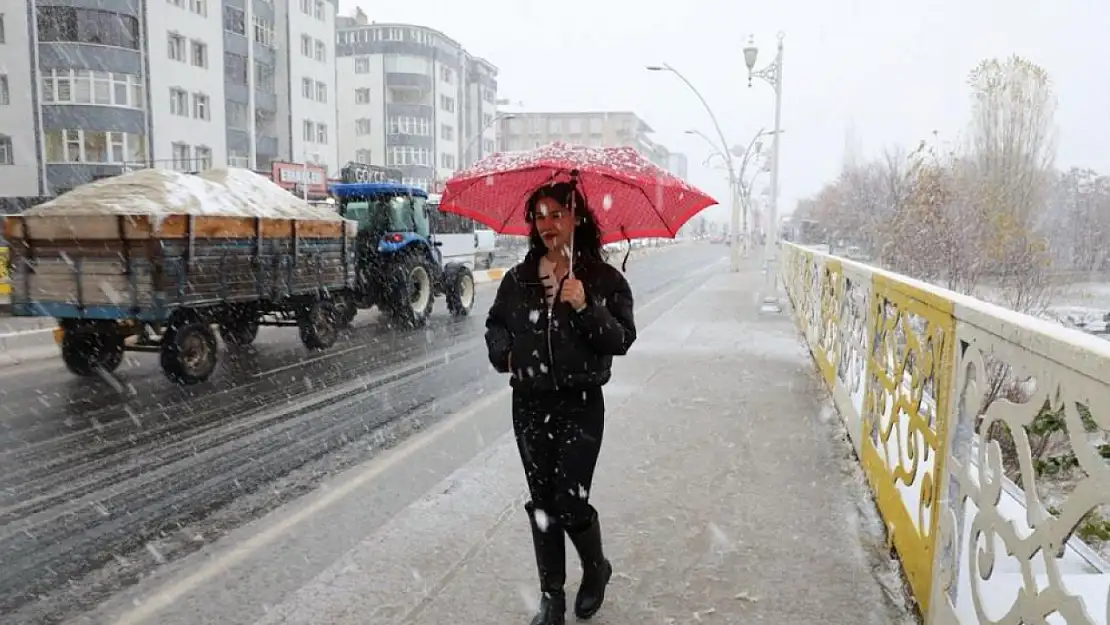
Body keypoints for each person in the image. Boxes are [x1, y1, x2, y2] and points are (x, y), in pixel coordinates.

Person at [485, 181, 637, 625]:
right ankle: (551, 596)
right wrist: (506, 355)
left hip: (581, 402)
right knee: (543, 503)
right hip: (529, 404)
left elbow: (621, 339)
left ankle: (595, 568)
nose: (547, 224)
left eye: (557, 214)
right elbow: (496, 326)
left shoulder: (604, 279)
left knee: (571, 503)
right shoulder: (519, 279)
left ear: (577, 218)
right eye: (539, 215)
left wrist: (588, 305)